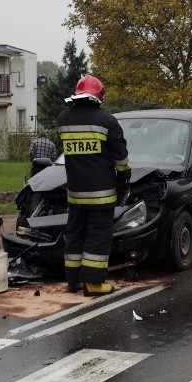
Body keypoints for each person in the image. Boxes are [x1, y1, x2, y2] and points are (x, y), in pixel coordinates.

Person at [57, 75, 131, 296]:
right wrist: (124, 183)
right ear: (99, 97)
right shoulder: (107, 122)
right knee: (98, 236)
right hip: (102, 194)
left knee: (75, 234)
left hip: (75, 193)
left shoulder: (63, 120)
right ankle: (94, 283)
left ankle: (74, 281)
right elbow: (121, 159)